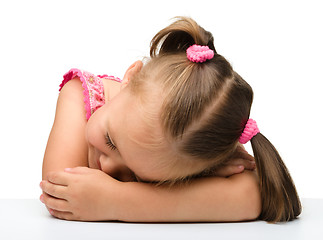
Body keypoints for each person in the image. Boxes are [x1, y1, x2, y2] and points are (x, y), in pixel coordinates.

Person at [40, 17, 301, 223]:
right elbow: (58, 191)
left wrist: (117, 201)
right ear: (130, 78)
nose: (108, 168)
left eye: (136, 174)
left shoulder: (195, 134)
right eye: (111, 140)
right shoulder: (79, 96)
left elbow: (252, 195)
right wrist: (185, 191)